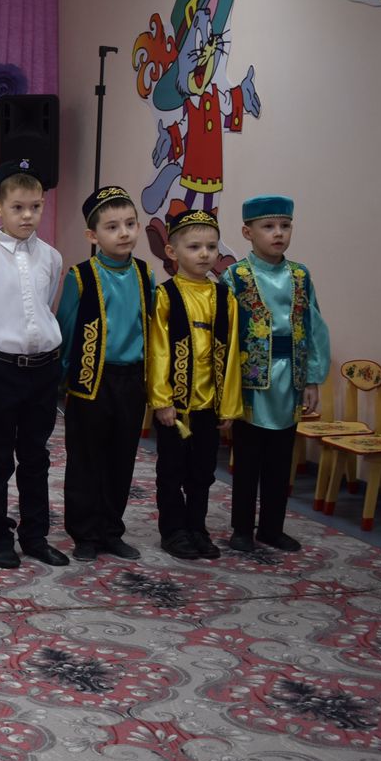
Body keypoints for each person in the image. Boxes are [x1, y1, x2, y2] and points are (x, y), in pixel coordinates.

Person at [0, 160, 69, 569]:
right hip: (1, 371)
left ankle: (35, 535)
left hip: (43, 370)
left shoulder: (52, 258)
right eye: (18, 207)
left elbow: (46, 308)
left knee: (36, 454)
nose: (28, 216)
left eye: (36, 207)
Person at [54, 186, 156, 562]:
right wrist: (62, 381)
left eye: (130, 224)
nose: (123, 233)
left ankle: (111, 530)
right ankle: (84, 533)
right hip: (90, 381)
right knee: (86, 458)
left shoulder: (145, 274)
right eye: (112, 227)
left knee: (121, 457)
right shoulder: (81, 276)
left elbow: (152, 328)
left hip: (132, 380)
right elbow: (65, 330)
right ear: (92, 235)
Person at [223, 195, 329, 553]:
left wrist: (312, 377)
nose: (278, 233)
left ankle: (272, 527)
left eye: (285, 226)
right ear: (248, 232)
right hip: (250, 382)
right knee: (247, 458)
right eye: (268, 226)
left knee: (282, 460)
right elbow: (224, 332)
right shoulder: (235, 276)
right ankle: (241, 528)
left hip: (290, 379)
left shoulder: (300, 275)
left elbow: (314, 326)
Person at [147, 205, 243, 560]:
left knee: (203, 472)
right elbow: (158, 349)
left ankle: (197, 528)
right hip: (176, 406)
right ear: (172, 251)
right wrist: (162, 399)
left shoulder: (225, 297)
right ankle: (173, 531)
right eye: (194, 247)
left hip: (209, 405)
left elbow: (232, 354)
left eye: (211, 247)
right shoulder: (165, 295)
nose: (205, 254)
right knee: (172, 470)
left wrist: (229, 405)